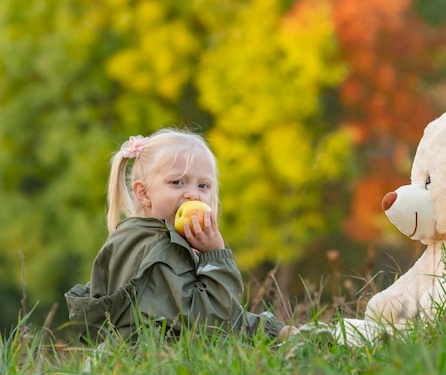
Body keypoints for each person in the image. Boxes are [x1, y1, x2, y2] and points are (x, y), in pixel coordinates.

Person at [65, 128, 294, 342]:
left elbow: (214, 315)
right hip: (154, 367)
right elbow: (209, 325)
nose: (193, 194)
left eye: (203, 186)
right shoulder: (159, 248)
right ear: (144, 193)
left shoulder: (146, 237)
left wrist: (276, 331)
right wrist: (215, 257)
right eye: (177, 182)